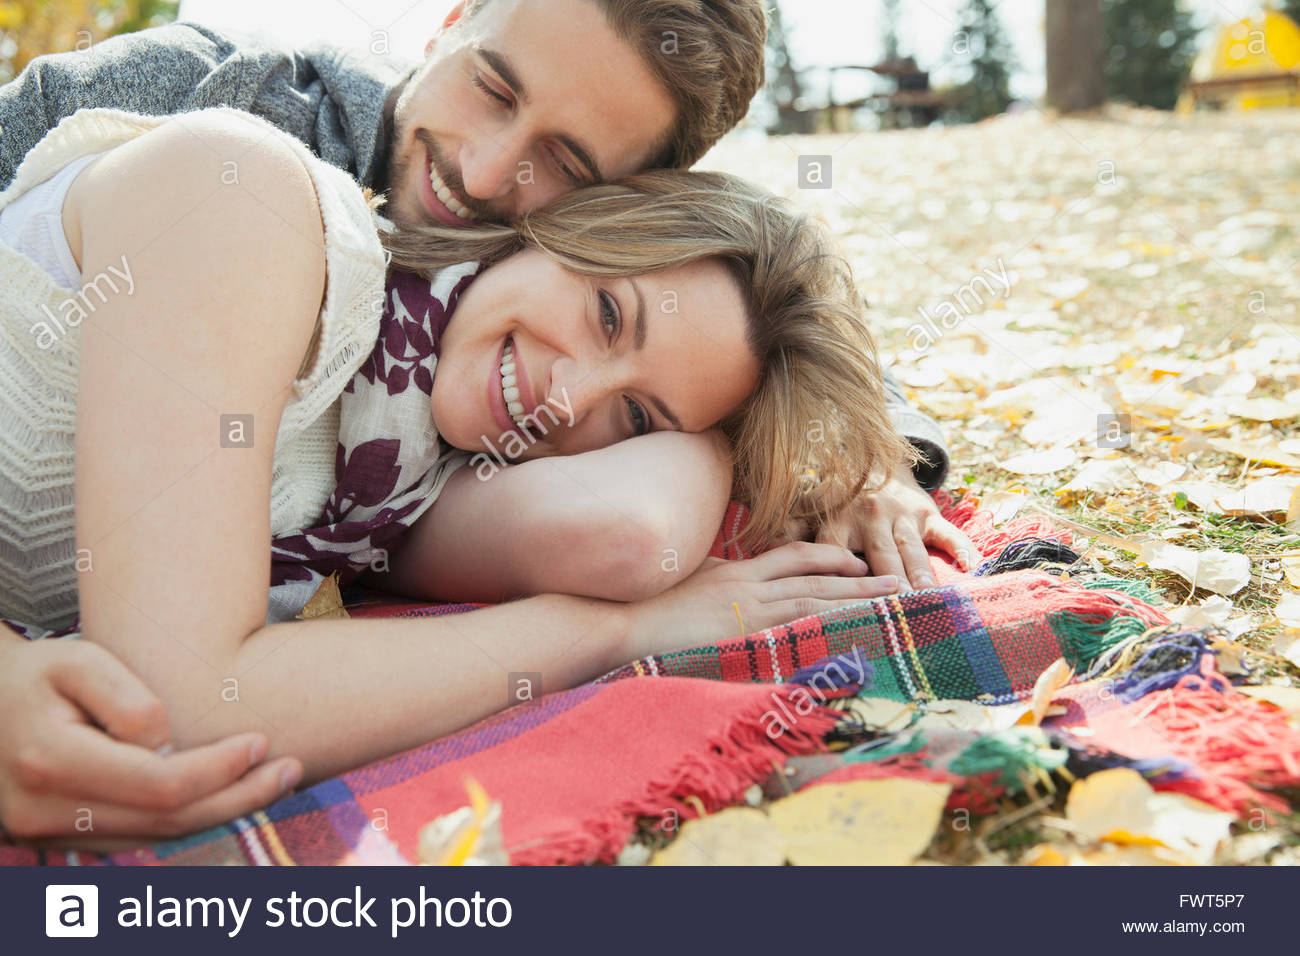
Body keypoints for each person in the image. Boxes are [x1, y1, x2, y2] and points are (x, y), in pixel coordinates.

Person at [0, 0, 972, 840]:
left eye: (563, 161)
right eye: (495, 89)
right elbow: (178, 700)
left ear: (614, 198)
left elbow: (720, 328)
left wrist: (858, 455)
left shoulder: (415, 436)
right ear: (453, 22)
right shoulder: (227, 127)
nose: (479, 168)